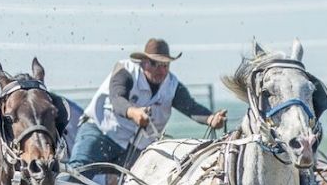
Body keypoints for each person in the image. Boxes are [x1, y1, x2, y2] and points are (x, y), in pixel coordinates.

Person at [68, 38, 227, 170]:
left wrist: (210, 119)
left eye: (165, 65)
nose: (161, 70)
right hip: (101, 132)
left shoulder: (172, 85)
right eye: (155, 64)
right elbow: (117, 99)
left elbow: (190, 107)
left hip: (135, 146)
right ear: (144, 62)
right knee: (77, 173)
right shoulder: (126, 71)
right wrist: (134, 112)